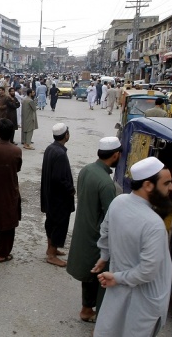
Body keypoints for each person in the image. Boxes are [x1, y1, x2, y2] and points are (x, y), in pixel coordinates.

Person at [91, 157, 172, 337]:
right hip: (143, 299)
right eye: (167, 183)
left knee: (111, 328)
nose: (171, 188)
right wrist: (117, 277)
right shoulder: (154, 225)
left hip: (118, 286)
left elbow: (104, 231)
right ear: (148, 185)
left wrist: (104, 256)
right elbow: (148, 271)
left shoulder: (118, 202)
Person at [67, 137, 122, 323]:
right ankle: (97, 315)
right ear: (115, 155)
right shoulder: (106, 184)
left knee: (90, 275)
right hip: (97, 237)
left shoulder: (87, 170)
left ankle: (86, 309)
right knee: (99, 276)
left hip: (84, 229)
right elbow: (110, 218)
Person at [40, 123, 75, 267]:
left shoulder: (51, 148)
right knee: (59, 224)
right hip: (58, 198)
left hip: (50, 195)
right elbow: (59, 178)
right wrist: (71, 189)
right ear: (66, 135)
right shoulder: (60, 154)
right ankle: (52, 255)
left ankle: (50, 249)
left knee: (51, 222)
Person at [0, 119, 22, 264]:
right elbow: (18, 168)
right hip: (9, 189)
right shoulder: (16, 150)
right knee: (8, 222)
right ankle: (2, 253)